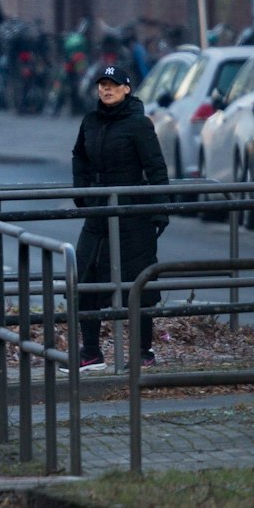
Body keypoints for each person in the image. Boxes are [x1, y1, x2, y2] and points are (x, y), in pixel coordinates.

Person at [71, 64, 170, 371]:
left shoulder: (139, 124)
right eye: (102, 84)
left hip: (132, 214)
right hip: (98, 211)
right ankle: (91, 352)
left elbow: (156, 168)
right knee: (84, 276)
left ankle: (143, 352)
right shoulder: (90, 121)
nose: (106, 89)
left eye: (113, 84)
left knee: (137, 281)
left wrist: (158, 211)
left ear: (127, 89)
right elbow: (80, 156)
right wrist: (82, 194)